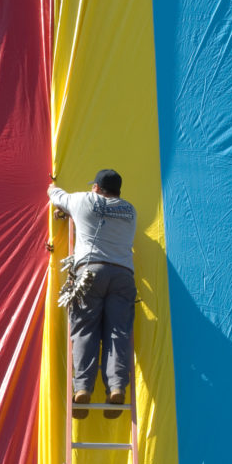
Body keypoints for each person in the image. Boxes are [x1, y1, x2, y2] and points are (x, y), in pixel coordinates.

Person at [48, 169, 137, 418]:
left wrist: (53, 187)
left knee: (85, 330)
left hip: (90, 272)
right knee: (118, 332)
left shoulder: (84, 201)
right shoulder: (130, 210)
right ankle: (117, 386)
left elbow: (56, 195)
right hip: (123, 275)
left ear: (96, 187)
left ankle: (83, 388)